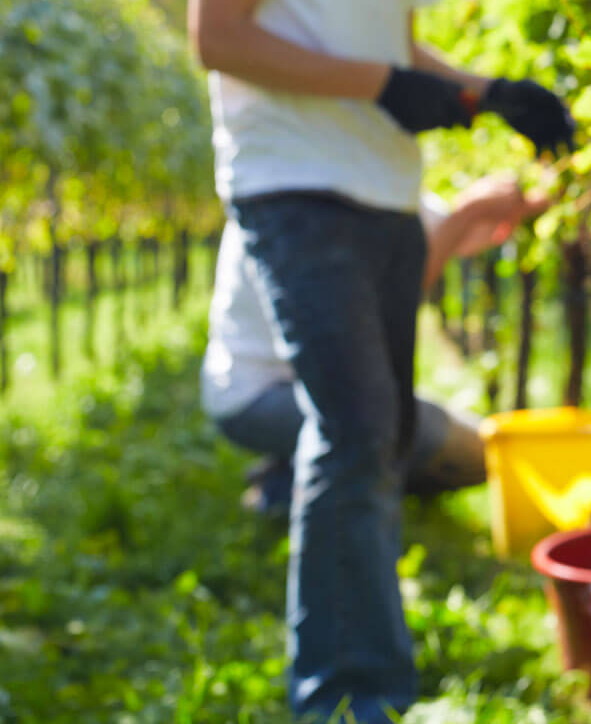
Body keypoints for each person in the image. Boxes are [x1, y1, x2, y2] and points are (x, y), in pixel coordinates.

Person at [186, 0, 574, 724]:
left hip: (388, 192)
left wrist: (489, 93)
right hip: (293, 185)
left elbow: (390, 50)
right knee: (358, 429)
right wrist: (385, 84)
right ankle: (348, 694)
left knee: (383, 429)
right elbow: (219, 36)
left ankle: (369, 667)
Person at [203, 176, 547, 517]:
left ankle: (299, 472)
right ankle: (297, 488)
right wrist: (468, 215)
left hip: (304, 390)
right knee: (447, 446)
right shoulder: (300, 193)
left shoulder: (365, 165)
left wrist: (525, 201)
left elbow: (456, 234)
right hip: (257, 398)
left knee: (462, 442)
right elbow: (399, 292)